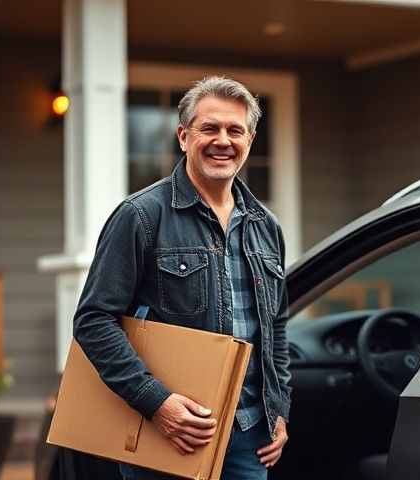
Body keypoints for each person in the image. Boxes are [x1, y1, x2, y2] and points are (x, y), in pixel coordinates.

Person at [73, 76, 291, 480]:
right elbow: (94, 320)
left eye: (234, 130)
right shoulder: (140, 216)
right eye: (209, 128)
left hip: (249, 438)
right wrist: (156, 403)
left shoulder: (267, 226)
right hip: (169, 432)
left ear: (250, 139)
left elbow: (275, 326)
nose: (222, 140)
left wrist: (279, 411)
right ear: (183, 136)